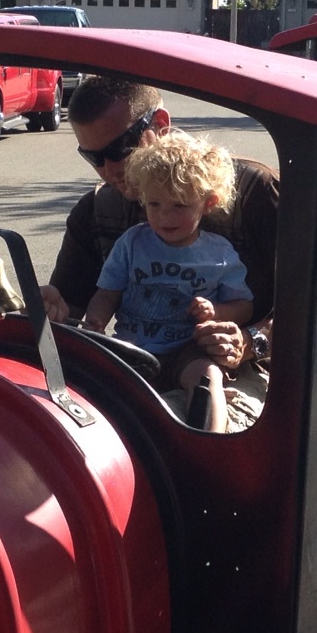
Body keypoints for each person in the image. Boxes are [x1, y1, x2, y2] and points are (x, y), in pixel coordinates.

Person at [42, 77, 278, 376]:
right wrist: (51, 311)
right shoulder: (97, 209)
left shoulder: (252, 189)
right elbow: (74, 313)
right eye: (94, 157)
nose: (109, 170)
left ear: (160, 124)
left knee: (199, 411)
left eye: (119, 148)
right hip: (137, 363)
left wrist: (250, 342)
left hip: (239, 370)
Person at [83, 131, 254, 424]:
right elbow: (107, 293)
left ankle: (210, 441)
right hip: (132, 347)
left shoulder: (219, 252)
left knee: (207, 375)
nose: (165, 216)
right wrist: (95, 321)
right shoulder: (133, 242)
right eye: (154, 205)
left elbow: (244, 305)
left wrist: (217, 312)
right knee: (96, 383)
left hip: (188, 350)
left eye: (179, 205)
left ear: (208, 202)